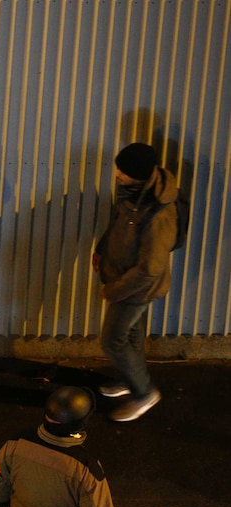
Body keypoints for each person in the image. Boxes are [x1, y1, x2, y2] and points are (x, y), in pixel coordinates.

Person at [93, 143, 178, 422]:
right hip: (122, 277)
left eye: (123, 171)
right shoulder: (133, 194)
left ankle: (143, 394)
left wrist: (115, 290)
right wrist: (102, 250)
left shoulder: (158, 212)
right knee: (130, 335)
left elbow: (150, 270)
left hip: (136, 289)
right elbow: (117, 226)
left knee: (113, 341)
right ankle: (130, 380)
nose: (117, 174)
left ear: (139, 175)